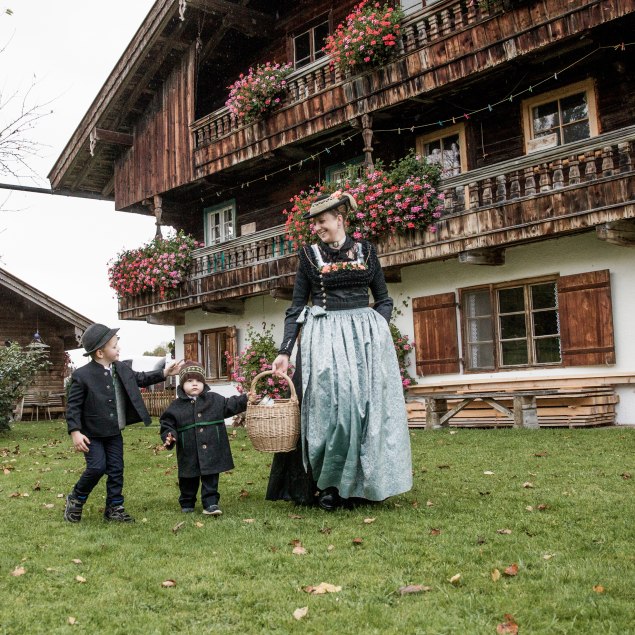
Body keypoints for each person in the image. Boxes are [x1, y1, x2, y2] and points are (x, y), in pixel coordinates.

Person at [267, 190, 413, 511]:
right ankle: (329, 485)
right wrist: (285, 350)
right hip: (323, 340)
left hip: (363, 343)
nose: (318, 227)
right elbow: (296, 307)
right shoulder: (308, 256)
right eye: (314, 223)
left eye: (322, 221)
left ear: (340, 219)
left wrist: (377, 328)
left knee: (363, 411)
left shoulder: (367, 252)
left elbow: (384, 299)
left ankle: (359, 486)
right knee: (330, 412)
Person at [64, 323, 183, 523]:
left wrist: (164, 373)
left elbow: (140, 378)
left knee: (116, 469)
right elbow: (73, 406)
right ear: (100, 353)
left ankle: (114, 507)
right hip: (91, 434)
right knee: (96, 468)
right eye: (114, 346)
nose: (118, 349)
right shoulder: (82, 375)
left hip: (113, 433)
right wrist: (75, 431)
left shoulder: (121, 368)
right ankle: (76, 499)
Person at [160, 361, 248, 515]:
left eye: (198, 380)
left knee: (211, 478)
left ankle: (211, 504)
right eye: (189, 381)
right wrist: (169, 436)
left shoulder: (214, 399)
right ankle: (187, 502)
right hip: (189, 451)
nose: (195, 384)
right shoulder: (175, 406)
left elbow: (230, 404)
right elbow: (167, 424)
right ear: (182, 384)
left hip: (212, 449)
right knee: (188, 479)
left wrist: (245, 399)